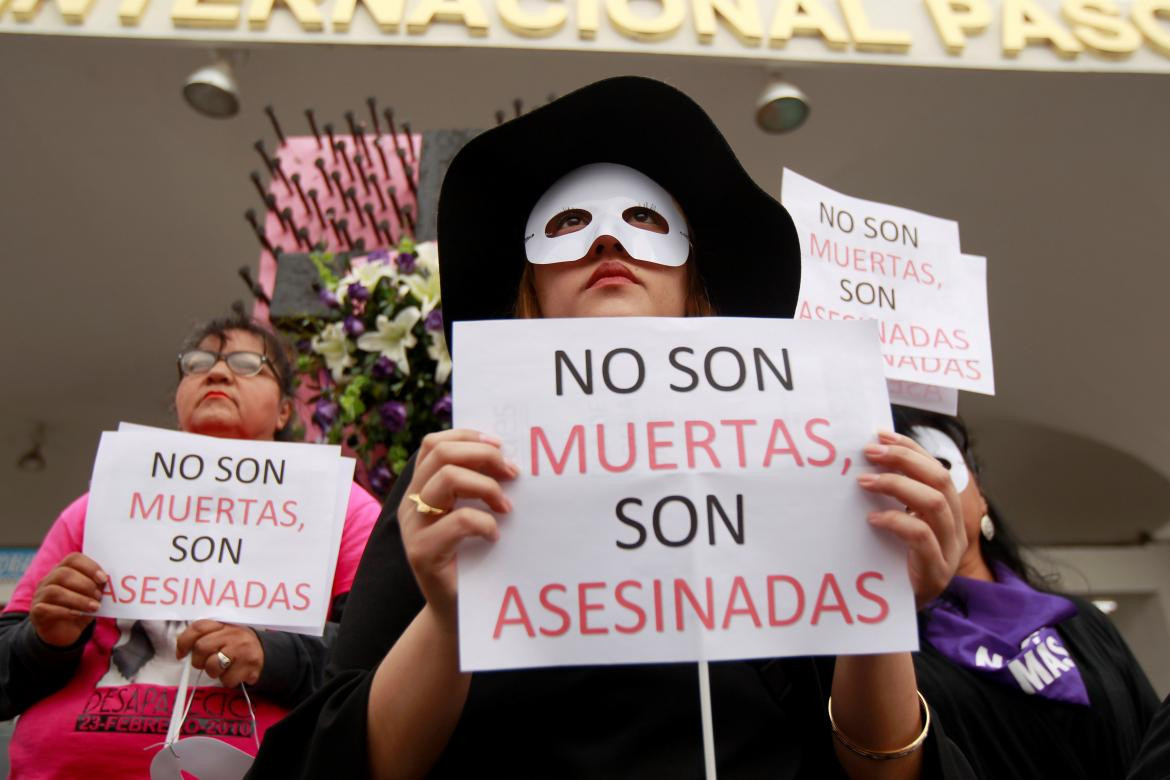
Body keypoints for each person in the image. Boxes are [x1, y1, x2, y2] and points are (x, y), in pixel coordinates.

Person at [251, 76, 975, 779]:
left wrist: (878, 609)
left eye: (646, 222)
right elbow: (340, 757)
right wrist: (449, 615)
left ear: (695, 278)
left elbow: (881, 767)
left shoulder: (806, 467)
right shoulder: (454, 482)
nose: (607, 244)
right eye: (568, 224)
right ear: (530, 288)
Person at [0, 309, 381, 778]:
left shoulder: (343, 509)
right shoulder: (96, 507)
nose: (217, 372)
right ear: (179, 397)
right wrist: (45, 641)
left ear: (285, 410)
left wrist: (272, 656)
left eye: (247, 364)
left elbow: (384, 661)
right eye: (198, 363)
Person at [894, 405, 1159, 779]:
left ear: (981, 493)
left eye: (937, 463)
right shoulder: (888, 653)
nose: (920, 488)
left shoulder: (1081, 622)